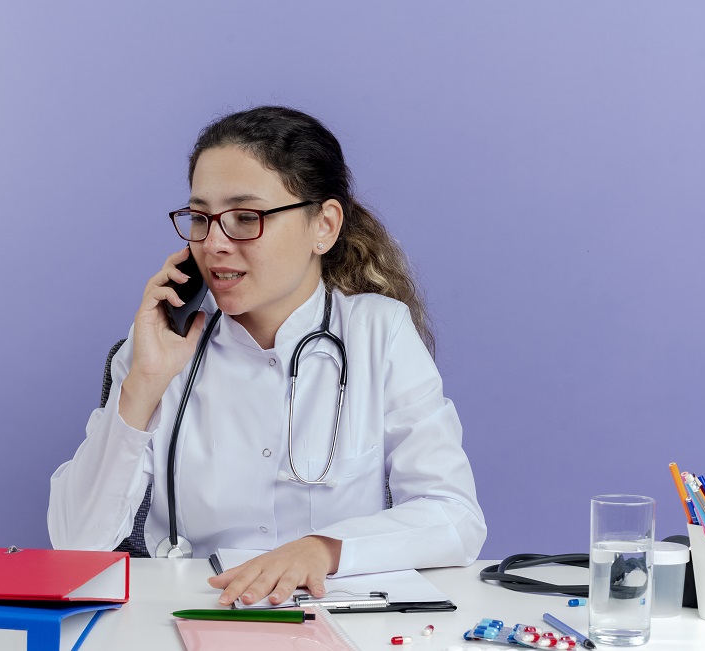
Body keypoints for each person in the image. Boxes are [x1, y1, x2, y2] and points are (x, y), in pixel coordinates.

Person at [48, 106, 486, 607]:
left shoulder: (377, 332)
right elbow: (75, 546)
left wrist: (321, 550)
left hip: (337, 617)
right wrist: (144, 382)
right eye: (200, 218)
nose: (213, 244)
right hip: (193, 614)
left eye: (244, 218)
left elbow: (454, 516)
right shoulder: (157, 348)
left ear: (323, 225)